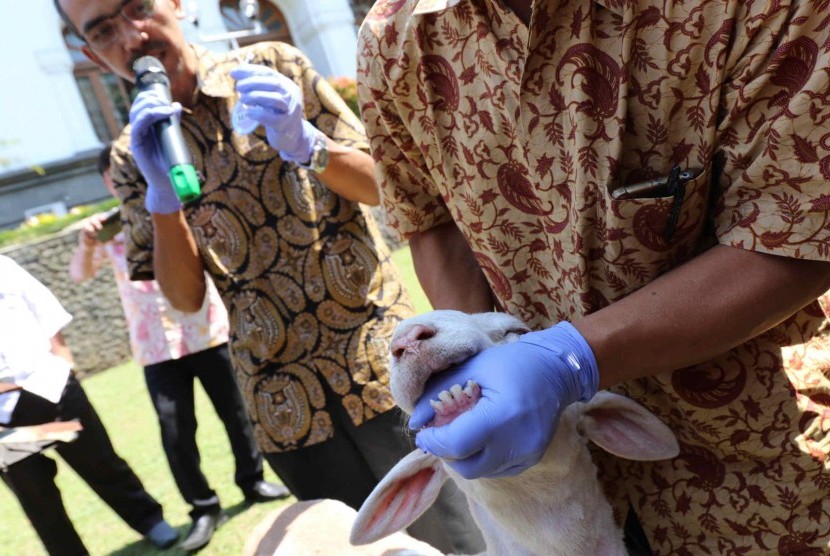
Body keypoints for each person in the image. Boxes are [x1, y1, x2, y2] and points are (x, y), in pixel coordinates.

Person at [356, 1, 830, 554]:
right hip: (552, 495)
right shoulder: (395, 35)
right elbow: (432, 220)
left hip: (754, 466)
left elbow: (798, 226)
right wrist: (469, 356)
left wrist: (569, 360)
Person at [53, 1, 485, 553]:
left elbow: (387, 188)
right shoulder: (130, 154)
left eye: (137, 8)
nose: (132, 36)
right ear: (90, 53)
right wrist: (163, 200)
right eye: (104, 31)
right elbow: (183, 300)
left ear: (177, 5)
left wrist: (309, 143)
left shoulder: (271, 68)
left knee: (461, 541)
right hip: (286, 410)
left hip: (387, 373)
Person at [68, 143, 290, 552]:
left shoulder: (173, 202)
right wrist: (85, 246)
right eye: (113, 175)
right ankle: (203, 507)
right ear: (107, 180)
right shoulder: (102, 228)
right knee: (175, 431)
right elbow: (79, 275)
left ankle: (252, 480)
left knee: (237, 413)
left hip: (203, 328)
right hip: (156, 347)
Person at [0, 254, 179, 555]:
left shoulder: (3, 266)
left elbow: (44, 310)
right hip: (4, 414)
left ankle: (149, 520)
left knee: (98, 460)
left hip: (48, 386)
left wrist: (63, 358)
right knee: (35, 493)